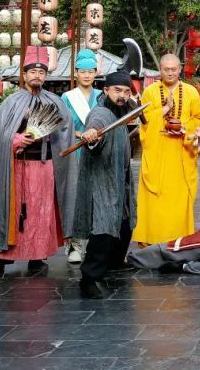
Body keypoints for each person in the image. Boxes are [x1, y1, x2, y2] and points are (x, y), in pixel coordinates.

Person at [0, 46, 76, 277]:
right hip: (15, 167)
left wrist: (51, 135)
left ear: (46, 76)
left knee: (40, 214)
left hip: (44, 167)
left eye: (41, 72)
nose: (37, 76)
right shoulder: (11, 102)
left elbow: (66, 131)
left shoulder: (54, 102)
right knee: (10, 211)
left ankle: (37, 257)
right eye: (32, 71)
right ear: (24, 74)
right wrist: (16, 139)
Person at [73, 70, 138, 299]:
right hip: (103, 181)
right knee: (103, 227)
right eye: (117, 91)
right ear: (106, 90)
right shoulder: (101, 112)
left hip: (120, 178)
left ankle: (114, 262)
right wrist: (91, 134)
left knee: (124, 223)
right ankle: (90, 278)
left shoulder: (120, 111)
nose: (122, 96)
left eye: (126, 91)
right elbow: (95, 125)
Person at [133, 53, 200, 245]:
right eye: (166, 69)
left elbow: (198, 118)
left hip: (181, 153)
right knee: (154, 201)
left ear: (180, 69)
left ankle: (178, 241)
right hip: (157, 153)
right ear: (160, 70)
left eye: (174, 69)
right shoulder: (150, 92)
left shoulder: (191, 92)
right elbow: (145, 122)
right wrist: (163, 111)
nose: (170, 73)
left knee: (179, 202)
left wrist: (185, 128)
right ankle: (152, 241)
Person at [60, 48, 103, 265]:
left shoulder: (102, 96)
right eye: (83, 71)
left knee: (97, 198)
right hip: (76, 151)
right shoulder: (67, 97)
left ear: (96, 73)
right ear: (76, 72)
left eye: (91, 71)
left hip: (99, 151)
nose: (87, 75)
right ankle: (75, 245)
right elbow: (61, 125)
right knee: (76, 198)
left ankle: (96, 244)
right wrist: (79, 134)